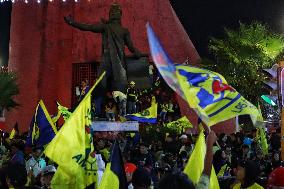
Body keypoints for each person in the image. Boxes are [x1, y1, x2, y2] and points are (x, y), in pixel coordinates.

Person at [64, 3, 141, 93]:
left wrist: (136, 52)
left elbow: (131, 47)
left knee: (119, 90)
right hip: (107, 62)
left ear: (120, 15)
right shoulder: (106, 27)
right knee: (101, 87)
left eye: (115, 11)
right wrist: (72, 22)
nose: (113, 13)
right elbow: (88, 27)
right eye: (112, 11)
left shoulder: (123, 31)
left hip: (118, 63)